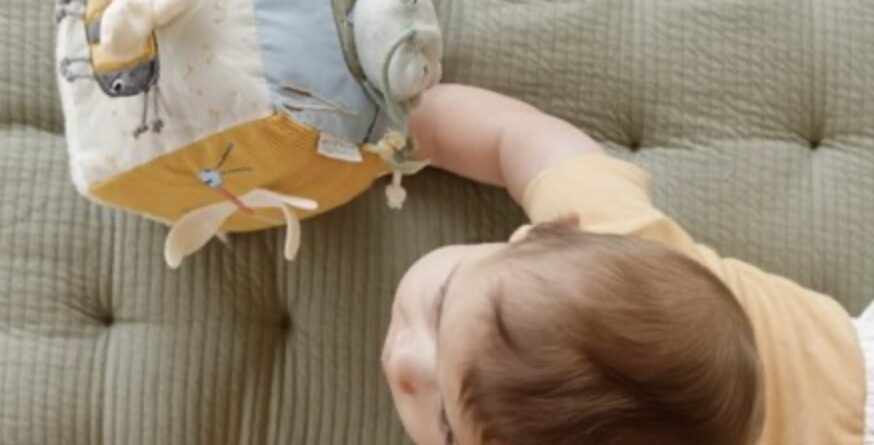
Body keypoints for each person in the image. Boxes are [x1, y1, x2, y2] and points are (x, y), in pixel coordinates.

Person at [382, 84, 869, 445]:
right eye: (440, 304)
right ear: (547, 231)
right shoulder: (606, 232)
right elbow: (516, 135)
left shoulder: (587, 244)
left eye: (446, 425)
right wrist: (405, 127)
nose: (403, 362)